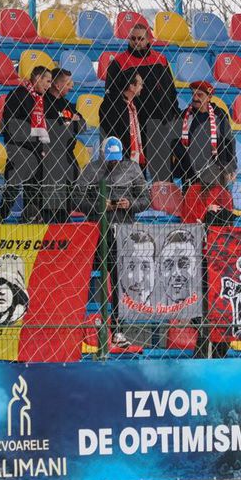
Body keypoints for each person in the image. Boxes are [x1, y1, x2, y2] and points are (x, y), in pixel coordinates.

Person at [75, 137, 149, 348]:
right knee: (86, 277)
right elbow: (76, 198)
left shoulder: (132, 168)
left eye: (116, 160)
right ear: (102, 155)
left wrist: (130, 204)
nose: (113, 164)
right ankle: (79, 329)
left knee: (118, 283)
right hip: (96, 232)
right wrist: (99, 205)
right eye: (110, 160)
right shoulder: (92, 168)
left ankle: (118, 330)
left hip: (123, 232)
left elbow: (146, 199)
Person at [104, 20, 180, 182]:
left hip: (160, 123)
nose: (136, 42)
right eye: (133, 38)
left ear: (148, 40)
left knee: (163, 172)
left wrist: (174, 113)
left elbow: (171, 90)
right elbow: (111, 96)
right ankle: (137, 204)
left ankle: (163, 203)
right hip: (134, 125)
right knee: (136, 172)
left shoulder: (161, 59)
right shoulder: (119, 62)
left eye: (140, 39)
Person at [172, 80, 238, 224]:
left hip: (216, 172)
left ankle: (218, 240)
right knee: (193, 212)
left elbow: (228, 142)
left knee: (218, 209)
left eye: (200, 95)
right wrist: (186, 158)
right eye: (193, 94)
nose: (195, 98)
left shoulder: (219, 115)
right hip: (191, 172)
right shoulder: (185, 116)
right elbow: (174, 142)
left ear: (209, 97)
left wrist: (231, 166)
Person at [0, 65, 52, 222]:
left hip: (35, 152)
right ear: (37, 78)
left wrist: (40, 149)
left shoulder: (40, 99)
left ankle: (29, 225)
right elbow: (11, 126)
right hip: (19, 152)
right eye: (47, 81)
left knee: (33, 193)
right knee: (11, 192)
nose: (49, 86)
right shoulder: (18, 94)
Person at [41, 67, 85, 222]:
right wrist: (69, 122)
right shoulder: (43, 102)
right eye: (68, 83)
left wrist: (65, 125)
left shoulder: (68, 104)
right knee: (50, 205)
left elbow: (83, 124)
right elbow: (50, 130)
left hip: (68, 158)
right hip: (50, 159)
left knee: (67, 203)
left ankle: (63, 233)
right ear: (58, 85)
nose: (72, 86)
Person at [99, 67, 146, 168]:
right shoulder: (111, 104)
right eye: (140, 84)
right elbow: (110, 131)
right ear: (131, 86)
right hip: (118, 159)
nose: (142, 87)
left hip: (134, 159)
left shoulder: (134, 104)